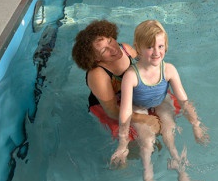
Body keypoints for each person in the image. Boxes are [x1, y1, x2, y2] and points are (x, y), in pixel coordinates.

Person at [110, 20, 209, 181]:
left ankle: (183, 177)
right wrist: (122, 143)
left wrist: (196, 125)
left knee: (169, 133)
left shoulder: (169, 70)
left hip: (161, 102)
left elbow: (184, 100)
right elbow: (125, 112)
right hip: (138, 106)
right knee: (147, 141)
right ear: (138, 48)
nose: (156, 52)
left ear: (166, 46)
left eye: (161, 46)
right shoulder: (131, 76)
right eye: (150, 47)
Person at [72, 20, 172, 150]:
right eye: (104, 50)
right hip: (111, 106)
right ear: (96, 59)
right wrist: (143, 119)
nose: (113, 49)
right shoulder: (98, 75)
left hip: (131, 94)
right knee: (138, 144)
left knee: (166, 122)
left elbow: (145, 64)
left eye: (110, 40)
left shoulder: (125, 49)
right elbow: (112, 111)